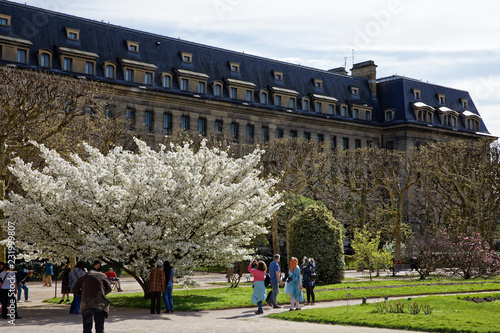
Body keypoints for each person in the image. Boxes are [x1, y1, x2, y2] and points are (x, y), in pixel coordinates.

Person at [71, 265, 112, 333]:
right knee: (100, 328)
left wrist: (83, 295)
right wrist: (101, 294)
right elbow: (109, 288)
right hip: (99, 304)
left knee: (87, 329)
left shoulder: (83, 277)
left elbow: (74, 290)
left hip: (87, 304)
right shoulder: (102, 275)